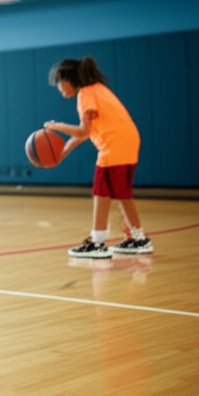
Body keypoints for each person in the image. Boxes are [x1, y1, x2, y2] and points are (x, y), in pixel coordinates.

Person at [44, 56, 152, 258]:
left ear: (68, 79)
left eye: (59, 82)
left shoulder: (86, 94)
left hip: (114, 146)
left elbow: (83, 131)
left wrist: (56, 126)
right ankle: (138, 239)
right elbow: (86, 133)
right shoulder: (97, 89)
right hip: (128, 142)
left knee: (101, 192)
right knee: (120, 193)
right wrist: (61, 154)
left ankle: (98, 243)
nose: (59, 87)